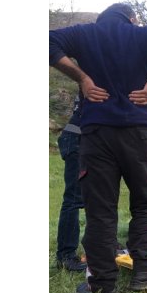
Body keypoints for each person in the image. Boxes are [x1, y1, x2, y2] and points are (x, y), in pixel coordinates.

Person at [49, 2, 147, 293]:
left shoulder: (85, 34)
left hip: (96, 132)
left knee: (100, 209)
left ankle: (102, 286)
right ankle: (145, 272)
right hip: (139, 132)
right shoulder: (141, 35)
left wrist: (82, 78)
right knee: (145, 203)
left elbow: (47, 42)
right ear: (132, 18)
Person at [54, 94, 88, 273]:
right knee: (74, 199)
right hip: (78, 139)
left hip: (84, 139)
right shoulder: (96, 79)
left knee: (97, 196)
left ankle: (101, 245)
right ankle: (65, 256)